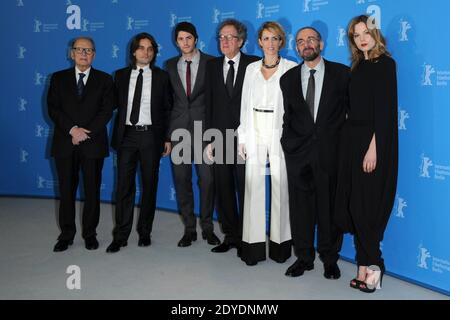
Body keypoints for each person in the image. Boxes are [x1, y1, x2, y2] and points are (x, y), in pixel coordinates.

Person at [335, 15, 398, 293]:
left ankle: (375, 265)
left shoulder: (385, 65)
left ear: (375, 34)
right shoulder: (357, 66)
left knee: (366, 208)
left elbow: (384, 113)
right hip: (352, 142)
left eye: (366, 32)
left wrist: (374, 148)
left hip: (374, 143)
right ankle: (362, 265)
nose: (362, 38)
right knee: (355, 206)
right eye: (356, 34)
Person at [280, 27, 349, 279]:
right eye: (300, 41)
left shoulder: (342, 74)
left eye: (311, 39)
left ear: (321, 43)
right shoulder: (287, 79)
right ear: (296, 48)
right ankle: (304, 258)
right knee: (301, 210)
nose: (306, 44)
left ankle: (330, 259)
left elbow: (350, 117)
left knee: (329, 209)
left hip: (331, 156)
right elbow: (288, 117)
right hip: (298, 155)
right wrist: (288, 144)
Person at [237, 22, 297, 266]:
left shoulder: (291, 68)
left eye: (275, 39)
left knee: (281, 186)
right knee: (252, 186)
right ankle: (252, 246)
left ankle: (281, 246)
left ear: (281, 42)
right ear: (259, 42)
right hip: (254, 127)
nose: (270, 43)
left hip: (279, 129)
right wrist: (242, 136)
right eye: (266, 38)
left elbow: (295, 107)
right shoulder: (250, 69)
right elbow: (243, 104)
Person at [106, 32, 172, 253]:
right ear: (133, 51)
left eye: (150, 48)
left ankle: (145, 232)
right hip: (127, 137)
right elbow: (110, 105)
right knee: (124, 186)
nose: (146, 52)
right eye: (142, 48)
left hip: (150, 137)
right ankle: (121, 235)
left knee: (149, 186)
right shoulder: (120, 76)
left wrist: (167, 138)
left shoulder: (162, 77)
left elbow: (168, 110)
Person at [47, 37, 114, 252]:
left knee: (92, 191)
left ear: (94, 54)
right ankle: (66, 234)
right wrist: (72, 130)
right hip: (65, 143)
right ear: (71, 53)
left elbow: (106, 111)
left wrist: (86, 132)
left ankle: (90, 234)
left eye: (88, 50)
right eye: (79, 49)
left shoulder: (104, 80)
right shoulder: (58, 78)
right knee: (66, 191)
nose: (84, 53)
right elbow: (53, 109)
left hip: (92, 144)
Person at [205, 19, 260, 255]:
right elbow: (208, 105)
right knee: (224, 189)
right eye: (221, 37)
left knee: (246, 189)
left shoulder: (254, 65)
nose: (224, 41)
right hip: (220, 137)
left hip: (246, 139)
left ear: (241, 40)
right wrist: (209, 139)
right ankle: (231, 236)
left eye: (229, 37)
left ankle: (248, 238)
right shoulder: (211, 66)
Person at [165, 22, 220, 247]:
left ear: (196, 39)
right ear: (176, 42)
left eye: (189, 38)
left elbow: (218, 100)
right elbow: (168, 102)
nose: (185, 42)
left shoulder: (212, 63)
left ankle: (207, 227)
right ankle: (189, 229)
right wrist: (167, 136)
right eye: (181, 39)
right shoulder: (169, 65)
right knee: (181, 180)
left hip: (206, 131)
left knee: (207, 180)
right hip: (178, 131)